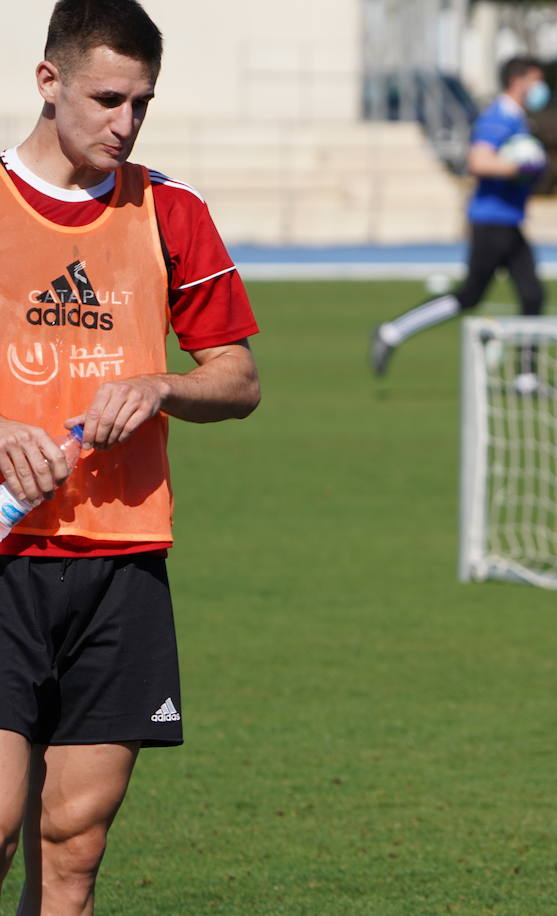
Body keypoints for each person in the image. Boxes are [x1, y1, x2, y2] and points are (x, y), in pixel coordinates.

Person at [0, 1, 260, 911]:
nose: (126, 122)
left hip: (123, 563)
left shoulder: (170, 210)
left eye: (141, 102)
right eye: (107, 98)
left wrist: (161, 386)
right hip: (5, 560)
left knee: (74, 842)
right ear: (47, 81)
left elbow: (237, 377)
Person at [370, 56, 549, 380]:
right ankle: (392, 331)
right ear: (519, 80)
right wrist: (520, 168)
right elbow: (478, 161)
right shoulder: (499, 117)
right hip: (492, 221)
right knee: (470, 295)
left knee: (532, 294)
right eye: (537, 80)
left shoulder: (518, 118)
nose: (541, 88)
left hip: (509, 220)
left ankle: (527, 377)